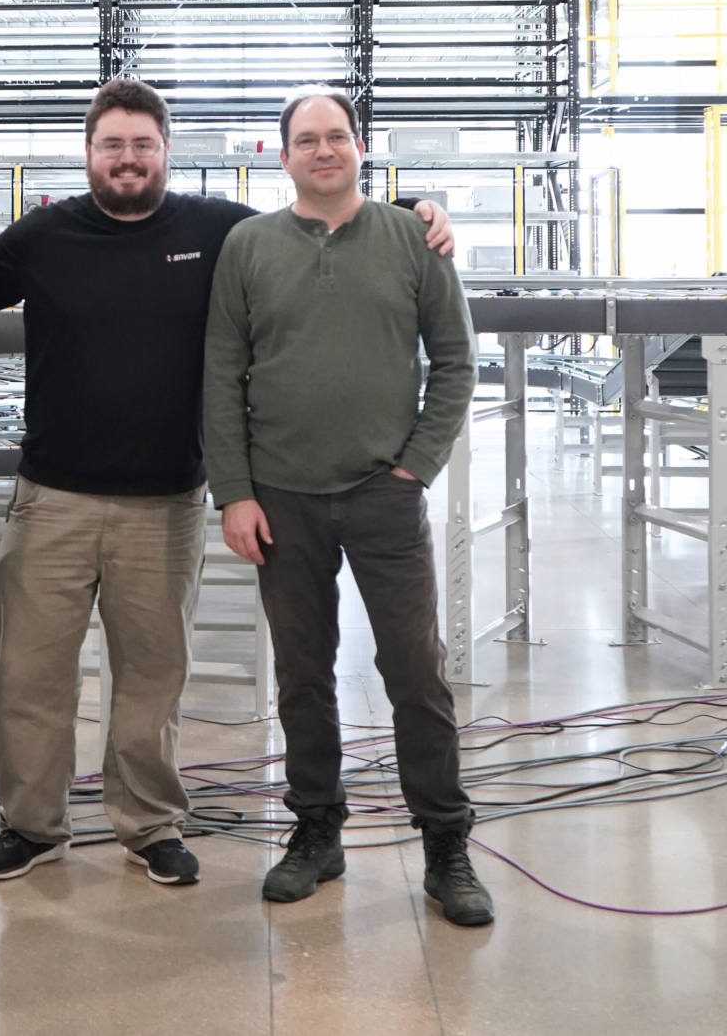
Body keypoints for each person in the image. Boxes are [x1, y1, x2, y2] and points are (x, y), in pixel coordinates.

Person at [0, 79, 454, 890]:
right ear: (88, 152)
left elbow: (316, 218)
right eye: (112, 145)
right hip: (52, 498)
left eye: (143, 144)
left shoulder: (218, 231)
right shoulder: (41, 237)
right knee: (30, 676)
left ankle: (150, 824)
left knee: (152, 679)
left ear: (166, 150)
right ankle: (30, 826)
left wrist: (416, 209)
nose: (128, 159)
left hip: (163, 502)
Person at [201, 87, 493, 927]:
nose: (324, 150)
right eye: (307, 139)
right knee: (303, 673)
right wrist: (236, 493)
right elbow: (221, 374)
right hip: (281, 498)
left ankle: (446, 844)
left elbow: (456, 362)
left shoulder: (413, 239)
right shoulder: (249, 247)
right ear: (283, 154)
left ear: (361, 147)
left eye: (337, 136)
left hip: (382, 495)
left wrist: (415, 469)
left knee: (415, 672)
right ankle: (316, 830)